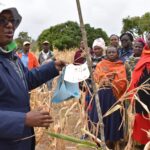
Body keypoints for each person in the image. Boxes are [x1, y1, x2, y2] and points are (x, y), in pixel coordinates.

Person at [0, 6, 65, 150]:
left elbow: (25, 80)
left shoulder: (12, 57)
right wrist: (24, 119)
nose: (9, 25)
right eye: (2, 20)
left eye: (11, 21)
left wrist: (52, 68)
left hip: (20, 140)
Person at [91, 46, 127, 149]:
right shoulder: (101, 64)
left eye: (113, 52)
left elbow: (122, 81)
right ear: (106, 53)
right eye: (109, 52)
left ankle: (112, 141)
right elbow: (96, 76)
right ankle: (101, 140)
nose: (111, 54)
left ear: (117, 53)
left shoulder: (121, 65)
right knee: (101, 117)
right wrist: (106, 78)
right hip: (102, 95)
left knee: (113, 117)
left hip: (114, 96)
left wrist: (111, 81)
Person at [128, 32, 150, 147]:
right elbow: (135, 78)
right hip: (142, 98)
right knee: (143, 121)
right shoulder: (143, 57)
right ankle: (144, 144)